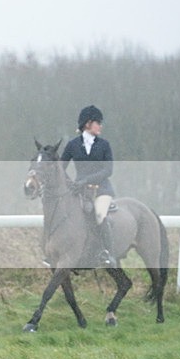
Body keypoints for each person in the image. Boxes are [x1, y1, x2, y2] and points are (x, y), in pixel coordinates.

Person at [61, 105, 117, 267]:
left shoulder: (104, 145)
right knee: (67, 214)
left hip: (102, 190)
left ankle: (108, 253)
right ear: (88, 124)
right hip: (80, 191)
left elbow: (108, 170)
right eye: (98, 123)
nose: (101, 126)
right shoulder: (72, 145)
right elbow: (60, 168)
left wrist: (85, 180)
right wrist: (69, 183)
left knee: (99, 215)